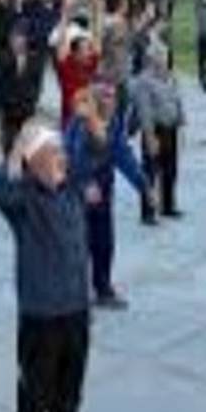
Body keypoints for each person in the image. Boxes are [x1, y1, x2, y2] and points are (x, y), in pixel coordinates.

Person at [0, 124, 100, 412]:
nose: (60, 158)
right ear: (33, 161)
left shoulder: (71, 190)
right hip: (41, 310)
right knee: (37, 379)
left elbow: (95, 153)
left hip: (76, 304)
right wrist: (16, 150)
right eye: (52, 152)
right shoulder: (24, 201)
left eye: (60, 151)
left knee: (73, 373)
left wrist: (91, 123)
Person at [64, 80, 152, 307]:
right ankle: (75, 296)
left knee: (104, 242)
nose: (111, 100)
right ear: (95, 99)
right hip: (78, 190)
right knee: (79, 244)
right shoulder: (81, 122)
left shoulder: (114, 122)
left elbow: (123, 155)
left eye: (113, 96)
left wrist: (143, 185)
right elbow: (71, 157)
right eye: (105, 96)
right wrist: (84, 184)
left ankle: (103, 290)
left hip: (103, 188)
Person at [130, 43, 185, 220]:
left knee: (171, 169)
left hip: (171, 128)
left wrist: (181, 121)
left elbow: (178, 100)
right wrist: (149, 136)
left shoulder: (171, 77)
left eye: (165, 55)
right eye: (159, 56)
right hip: (155, 129)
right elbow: (144, 110)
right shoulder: (144, 81)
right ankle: (147, 211)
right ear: (151, 59)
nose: (163, 59)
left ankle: (167, 205)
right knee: (150, 171)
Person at [0, 21, 46, 157]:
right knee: (9, 146)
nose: (17, 41)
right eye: (14, 38)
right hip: (8, 111)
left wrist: (32, 103)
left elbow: (37, 84)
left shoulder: (35, 60)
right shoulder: (4, 58)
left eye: (20, 37)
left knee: (26, 147)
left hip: (26, 109)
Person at [52, 0, 100, 128]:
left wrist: (96, 10)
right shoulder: (66, 66)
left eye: (89, 48)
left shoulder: (90, 64)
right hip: (69, 124)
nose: (90, 52)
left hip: (88, 123)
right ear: (75, 53)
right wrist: (65, 13)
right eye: (86, 49)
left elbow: (96, 36)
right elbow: (61, 41)